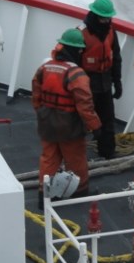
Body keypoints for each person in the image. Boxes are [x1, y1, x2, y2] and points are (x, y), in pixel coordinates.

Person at [32, 28, 101, 206]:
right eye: (80, 50)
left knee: (49, 158)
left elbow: (36, 96)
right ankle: (79, 193)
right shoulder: (76, 74)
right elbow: (85, 105)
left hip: (47, 121)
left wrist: (42, 113)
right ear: (75, 50)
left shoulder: (44, 68)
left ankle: (44, 195)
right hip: (69, 125)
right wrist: (96, 127)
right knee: (75, 159)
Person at [79, 0, 122, 159]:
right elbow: (74, 64)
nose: (106, 21)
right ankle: (76, 155)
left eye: (108, 18)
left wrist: (117, 82)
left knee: (108, 121)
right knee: (82, 121)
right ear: (95, 15)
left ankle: (108, 153)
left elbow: (116, 57)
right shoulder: (81, 33)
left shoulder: (111, 31)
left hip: (104, 82)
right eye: (103, 18)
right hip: (86, 83)